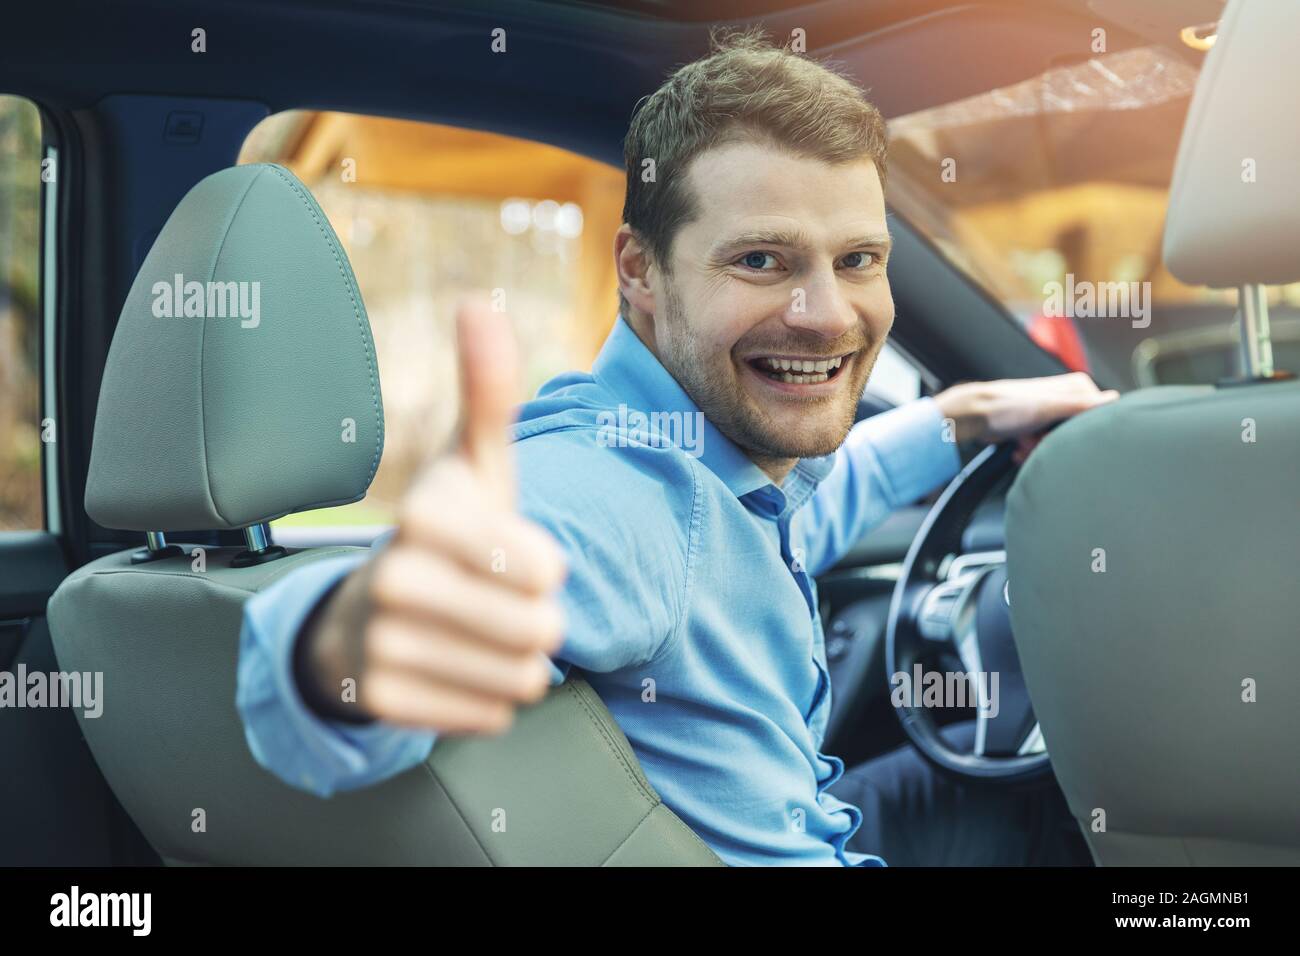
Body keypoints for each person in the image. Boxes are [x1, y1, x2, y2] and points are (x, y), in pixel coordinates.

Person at [236, 27, 1116, 866]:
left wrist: (958, 418)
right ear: (638, 269)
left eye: (857, 260)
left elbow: (797, 509)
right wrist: (348, 646)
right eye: (762, 261)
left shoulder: (702, 465)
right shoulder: (619, 492)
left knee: (1006, 799)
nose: (827, 316)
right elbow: (338, 682)